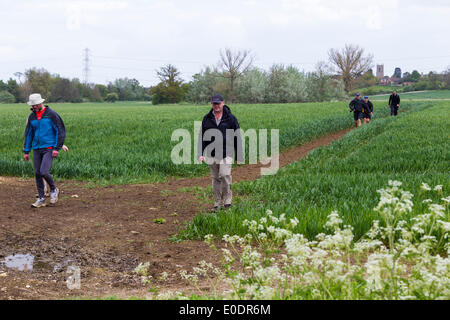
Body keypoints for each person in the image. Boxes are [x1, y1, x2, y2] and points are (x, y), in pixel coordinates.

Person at [198, 94, 243, 212]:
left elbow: (237, 136)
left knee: (224, 175)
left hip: (226, 152)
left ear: (223, 103)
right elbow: (201, 137)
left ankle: (227, 201)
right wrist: (200, 153)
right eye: (214, 103)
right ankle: (217, 203)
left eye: (218, 103)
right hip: (212, 153)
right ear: (211, 104)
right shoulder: (207, 118)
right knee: (215, 178)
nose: (216, 106)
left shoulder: (231, 118)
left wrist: (239, 155)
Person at [24, 93, 66, 208]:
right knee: (37, 173)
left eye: (35, 105)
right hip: (36, 148)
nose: (33, 107)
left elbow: (60, 131)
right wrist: (26, 151)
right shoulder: (32, 117)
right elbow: (28, 135)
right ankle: (41, 198)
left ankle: (53, 189)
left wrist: (57, 148)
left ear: (40, 103)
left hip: (49, 148)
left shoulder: (51, 115)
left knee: (43, 171)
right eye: (32, 105)